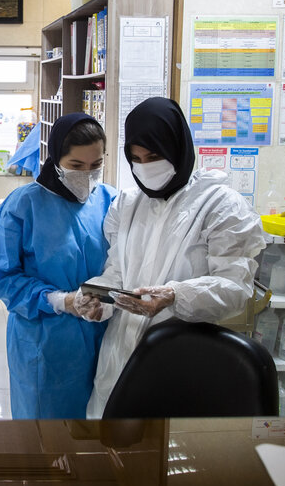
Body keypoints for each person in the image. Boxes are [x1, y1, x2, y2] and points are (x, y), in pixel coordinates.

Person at [72, 97, 268, 418]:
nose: (145, 167)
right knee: (116, 446)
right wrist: (97, 299)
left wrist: (176, 296)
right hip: (121, 355)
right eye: (135, 158)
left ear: (177, 146)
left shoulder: (220, 206)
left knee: (170, 452)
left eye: (154, 156)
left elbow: (235, 288)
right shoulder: (128, 205)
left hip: (185, 356)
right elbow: (116, 275)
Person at [0, 113, 117, 419]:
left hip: (104, 332)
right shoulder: (22, 206)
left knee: (97, 425)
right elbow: (4, 277)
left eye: (96, 165)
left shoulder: (111, 201)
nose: (87, 175)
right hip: (45, 339)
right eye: (76, 166)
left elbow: (123, 263)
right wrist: (62, 300)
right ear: (56, 159)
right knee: (46, 433)